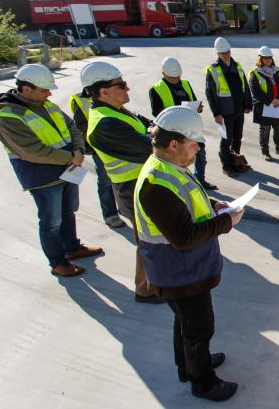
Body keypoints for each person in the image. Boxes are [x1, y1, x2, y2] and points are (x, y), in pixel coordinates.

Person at [134, 106, 244, 401]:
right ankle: (203, 382)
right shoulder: (156, 184)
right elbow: (182, 237)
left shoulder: (169, 168)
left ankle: (189, 365)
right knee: (198, 328)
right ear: (174, 144)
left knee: (185, 322)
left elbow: (186, 198)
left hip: (181, 269)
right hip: (179, 271)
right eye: (194, 143)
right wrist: (225, 222)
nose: (198, 148)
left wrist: (213, 206)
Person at [0, 64, 102, 277]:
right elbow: (32, 151)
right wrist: (71, 157)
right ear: (25, 90)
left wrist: (78, 149)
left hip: (68, 170)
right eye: (44, 90)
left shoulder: (46, 104)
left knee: (68, 213)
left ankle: (72, 248)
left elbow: (72, 128)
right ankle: (58, 263)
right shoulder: (8, 117)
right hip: (43, 178)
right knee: (51, 222)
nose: (49, 93)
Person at [84, 61, 162, 304]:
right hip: (132, 189)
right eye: (121, 85)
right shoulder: (104, 123)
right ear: (103, 91)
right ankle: (145, 290)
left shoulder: (118, 111)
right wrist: (153, 135)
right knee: (148, 243)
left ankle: (156, 283)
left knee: (154, 239)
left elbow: (151, 125)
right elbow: (148, 147)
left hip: (142, 183)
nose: (128, 89)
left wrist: (153, 131)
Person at [150, 56, 216, 190]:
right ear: (163, 73)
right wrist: (177, 111)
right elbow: (157, 113)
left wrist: (198, 107)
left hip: (190, 128)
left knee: (200, 154)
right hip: (172, 131)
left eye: (178, 77)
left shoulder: (185, 83)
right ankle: (179, 184)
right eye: (172, 78)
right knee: (176, 159)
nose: (176, 80)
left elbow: (194, 101)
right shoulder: (156, 88)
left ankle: (200, 180)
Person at [69, 70, 123, 228]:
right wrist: (93, 148)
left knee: (121, 179)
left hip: (118, 144)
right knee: (106, 181)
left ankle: (122, 207)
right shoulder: (80, 101)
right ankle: (110, 214)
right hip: (101, 148)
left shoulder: (111, 95)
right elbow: (81, 128)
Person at [205, 37, 253, 178]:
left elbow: (245, 86)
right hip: (224, 112)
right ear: (217, 54)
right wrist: (216, 113)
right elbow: (210, 93)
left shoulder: (237, 66)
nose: (225, 55)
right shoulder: (213, 69)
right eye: (222, 53)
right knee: (226, 140)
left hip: (238, 110)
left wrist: (248, 104)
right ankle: (226, 166)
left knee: (237, 137)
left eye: (227, 51)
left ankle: (235, 161)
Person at [249, 46, 279, 160]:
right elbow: (255, 90)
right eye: (265, 58)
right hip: (265, 106)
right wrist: (270, 101)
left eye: (269, 58)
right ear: (260, 59)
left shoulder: (278, 71)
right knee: (265, 129)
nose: (267, 60)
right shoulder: (255, 73)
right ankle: (265, 151)